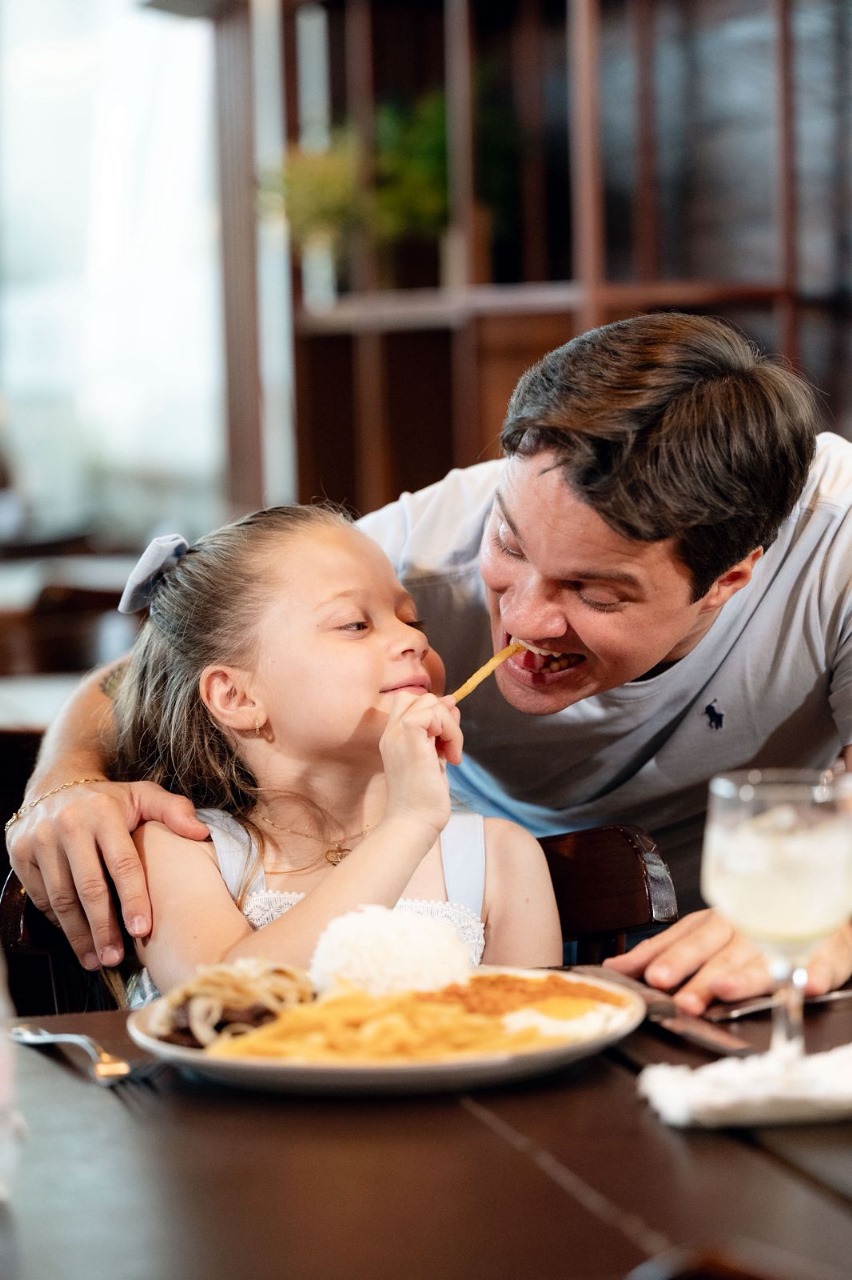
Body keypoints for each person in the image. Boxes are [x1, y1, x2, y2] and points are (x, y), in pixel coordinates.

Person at [8, 312, 852, 1010]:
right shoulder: (405, 554)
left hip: (738, 947)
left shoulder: (837, 544)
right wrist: (63, 781)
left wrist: (835, 915)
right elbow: (162, 667)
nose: (520, 618)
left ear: (729, 578)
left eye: (594, 593)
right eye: (509, 545)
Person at [92, 504, 562, 995]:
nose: (413, 640)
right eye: (355, 625)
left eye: (410, 619)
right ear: (237, 697)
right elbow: (223, 1002)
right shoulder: (180, 850)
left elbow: (531, 1037)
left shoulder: (501, 859)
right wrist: (408, 822)